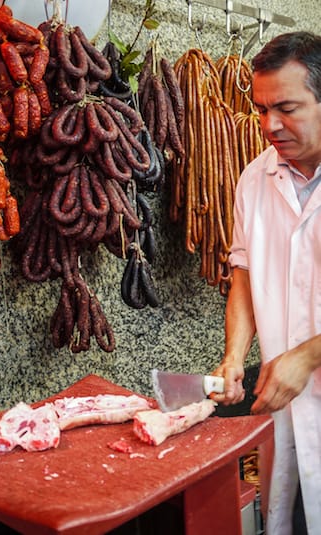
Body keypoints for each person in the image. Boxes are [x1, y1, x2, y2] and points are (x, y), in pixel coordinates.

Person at [211, 31, 321, 535]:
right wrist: (235, 356)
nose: (269, 125)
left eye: (287, 108)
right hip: (287, 410)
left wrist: (308, 355)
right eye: (260, 108)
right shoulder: (255, 177)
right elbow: (244, 274)